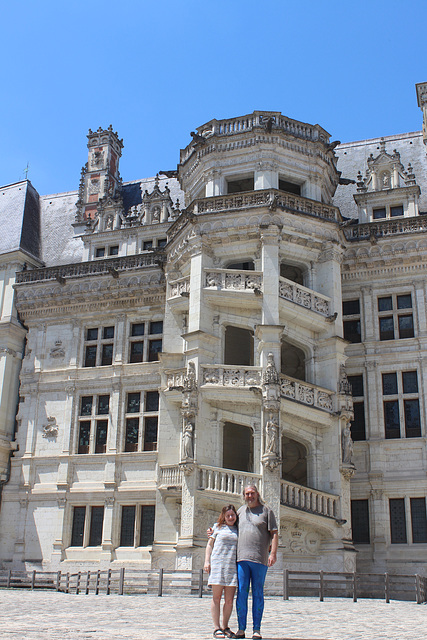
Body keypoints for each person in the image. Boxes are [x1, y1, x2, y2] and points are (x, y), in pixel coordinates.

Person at [208, 485, 278, 640]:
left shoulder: (267, 511)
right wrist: (213, 531)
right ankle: (241, 628)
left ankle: (257, 629)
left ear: (257, 494)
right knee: (242, 594)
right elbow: (228, 523)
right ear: (244, 496)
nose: (249, 496)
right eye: (247, 494)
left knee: (258, 593)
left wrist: (273, 553)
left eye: (252, 493)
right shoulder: (240, 511)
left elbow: (274, 533)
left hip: (260, 559)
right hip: (241, 560)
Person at [204, 505, 239, 638]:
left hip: (232, 567)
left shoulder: (238, 529)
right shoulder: (217, 527)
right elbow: (209, 545)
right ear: (223, 516)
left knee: (229, 600)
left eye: (233, 515)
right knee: (216, 598)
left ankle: (225, 626)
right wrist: (207, 561)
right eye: (228, 515)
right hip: (218, 566)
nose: (231, 517)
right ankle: (216, 627)